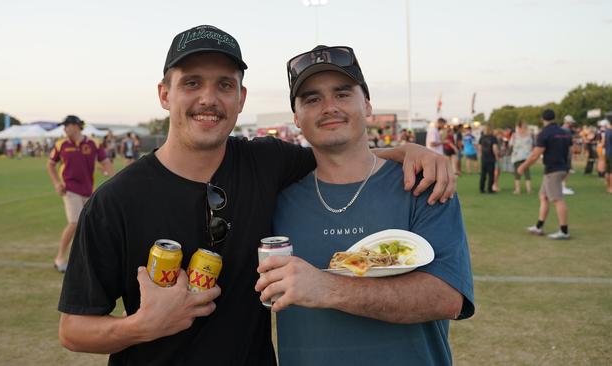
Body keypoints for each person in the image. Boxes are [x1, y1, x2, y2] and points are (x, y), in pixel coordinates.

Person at [56, 25, 456, 366]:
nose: (208, 98)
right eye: (191, 82)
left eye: (224, 85)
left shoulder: (265, 162)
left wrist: (411, 152)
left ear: (241, 99)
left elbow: (336, 152)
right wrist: (141, 326)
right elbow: (74, 329)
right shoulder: (115, 202)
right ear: (165, 94)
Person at [255, 45, 474, 366]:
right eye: (312, 99)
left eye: (342, 94)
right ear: (296, 118)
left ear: (367, 105)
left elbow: (447, 298)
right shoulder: (278, 198)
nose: (329, 107)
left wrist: (328, 288)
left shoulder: (423, 183)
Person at [46, 115, 114, 272]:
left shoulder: (93, 143)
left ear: (76, 126)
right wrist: (57, 183)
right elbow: (50, 165)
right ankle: (60, 258)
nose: (64, 128)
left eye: (67, 125)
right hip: (69, 189)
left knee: (89, 225)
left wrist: (113, 182)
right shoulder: (60, 144)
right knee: (75, 223)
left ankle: (88, 260)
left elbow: (106, 162)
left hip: (88, 190)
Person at [518, 109, 572, 239]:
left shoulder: (544, 134)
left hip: (553, 169)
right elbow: (570, 153)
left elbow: (536, 155)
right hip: (561, 168)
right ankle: (538, 226)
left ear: (543, 119)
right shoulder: (564, 132)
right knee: (543, 196)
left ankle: (564, 231)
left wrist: (523, 166)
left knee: (557, 199)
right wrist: (568, 169)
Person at [510, 121, 533, 194]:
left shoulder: (514, 135)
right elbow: (531, 145)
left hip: (517, 156)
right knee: (527, 173)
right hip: (526, 156)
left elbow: (510, 144)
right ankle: (529, 189)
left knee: (517, 174)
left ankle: (518, 190)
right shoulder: (529, 135)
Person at [478, 124, 499, 193]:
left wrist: (481, 155)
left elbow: (479, 148)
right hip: (491, 158)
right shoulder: (493, 138)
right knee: (491, 175)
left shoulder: (482, 137)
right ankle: (490, 189)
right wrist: (496, 156)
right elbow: (494, 148)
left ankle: (481, 188)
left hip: (484, 158)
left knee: (483, 174)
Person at [561, 115, 576, 195]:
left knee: (565, 170)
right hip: (566, 153)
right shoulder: (567, 131)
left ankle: (562, 187)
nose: (572, 124)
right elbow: (569, 144)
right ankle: (562, 187)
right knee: (566, 170)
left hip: (562, 153)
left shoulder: (560, 129)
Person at [604, 121, 612, 193]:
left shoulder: (607, 131)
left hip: (607, 153)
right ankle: (610, 188)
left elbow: (604, 143)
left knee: (608, 171)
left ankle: (608, 187)